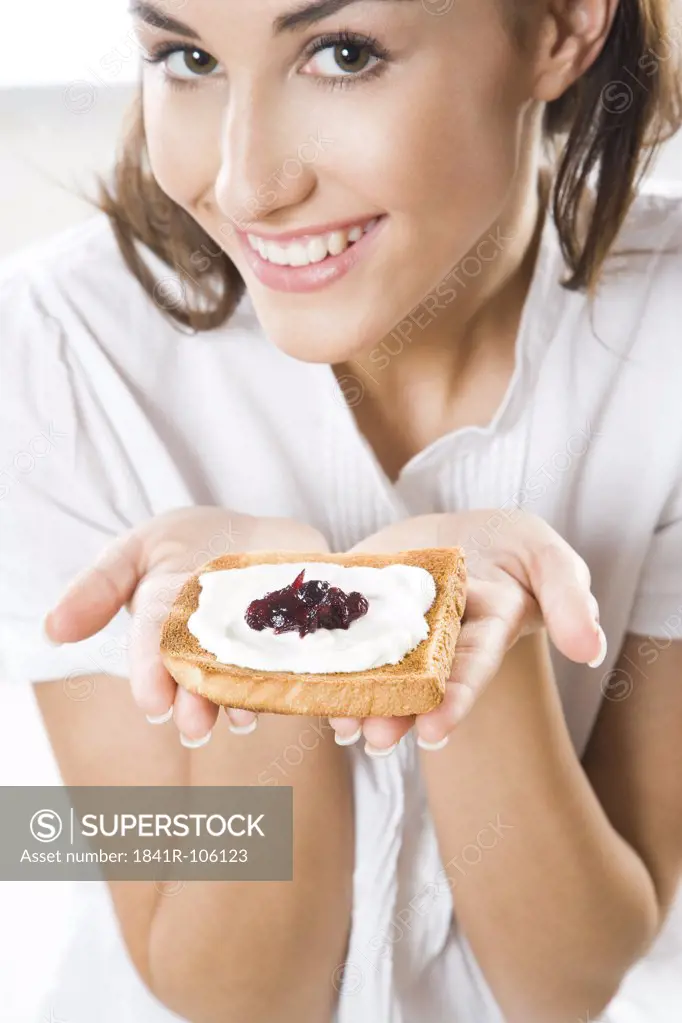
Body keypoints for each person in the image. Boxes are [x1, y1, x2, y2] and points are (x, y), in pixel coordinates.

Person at [2, 0, 682, 1020]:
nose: (243, 184)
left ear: (558, 29)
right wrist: (250, 646)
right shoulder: (54, 355)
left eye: (342, 53)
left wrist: (461, 636)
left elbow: (568, 982)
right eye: (185, 56)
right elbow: (237, 998)